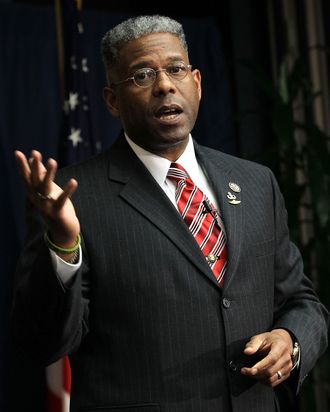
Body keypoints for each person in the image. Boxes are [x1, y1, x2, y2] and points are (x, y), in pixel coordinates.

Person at [12, 15, 328, 412]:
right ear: (112, 100)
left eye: (175, 69)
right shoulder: (72, 198)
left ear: (196, 81)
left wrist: (291, 341)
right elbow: (41, 341)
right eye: (142, 76)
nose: (164, 85)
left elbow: (301, 299)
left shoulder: (255, 182)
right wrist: (62, 244)